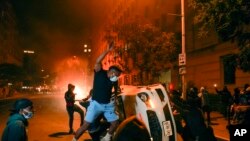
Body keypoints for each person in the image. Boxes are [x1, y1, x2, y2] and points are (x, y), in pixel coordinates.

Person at [73, 41, 122, 141]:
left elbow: (116, 90)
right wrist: (107, 50)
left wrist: (115, 101)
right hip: (96, 104)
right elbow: (97, 61)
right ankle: (74, 140)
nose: (116, 77)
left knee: (115, 123)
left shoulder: (114, 81)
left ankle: (106, 138)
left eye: (118, 76)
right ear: (110, 71)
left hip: (108, 105)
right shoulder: (100, 72)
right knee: (85, 126)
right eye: (116, 74)